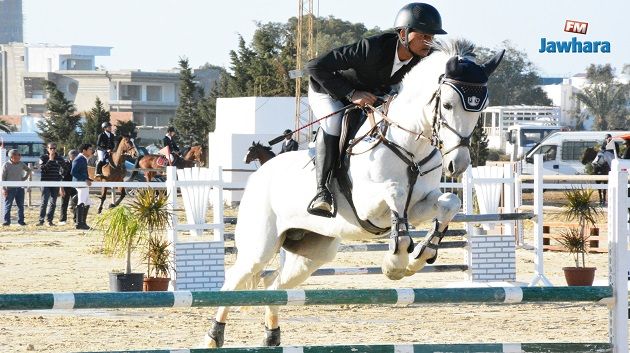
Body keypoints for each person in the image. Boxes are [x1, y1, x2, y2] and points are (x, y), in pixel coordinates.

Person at [304, 2, 446, 217]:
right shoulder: (370, 49)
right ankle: (322, 191)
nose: (429, 41)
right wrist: (351, 94)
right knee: (334, 123)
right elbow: (314, 66)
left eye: (432, 36)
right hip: (328, 89)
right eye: (424, 35)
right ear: (403, 33)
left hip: (369, 93)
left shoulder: (423, 57)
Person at [2, 149, 32, 226]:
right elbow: (2, 178)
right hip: (9, 189)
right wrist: (3, 189)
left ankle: (21, 221)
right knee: (8, 205)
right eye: (18, 155)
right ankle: (6, 222)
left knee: (20, 206)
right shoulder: (6, 165)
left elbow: (29, 170)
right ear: (12, 156)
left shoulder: (21, 164)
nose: (20, 156)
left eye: (20, 155)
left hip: (20, 188)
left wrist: (24, 178)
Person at [38, 142, 64, 226]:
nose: (53, 150)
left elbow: (65, 168)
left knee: (53, 202)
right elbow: (43, 169)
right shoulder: (43, 157)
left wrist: (61, 176)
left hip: (55, 182)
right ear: (47, 149)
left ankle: (49, 220)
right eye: (51, 148)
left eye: (54, 148)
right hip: (45, 182)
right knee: (44, 202)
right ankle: (41, 220)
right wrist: (50, 159)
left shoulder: (60, 158)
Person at [71, 144, 93, 230]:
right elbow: (73, 172)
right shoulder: (79, 159)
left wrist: (88, 178)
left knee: (87, 203)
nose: (92, 151)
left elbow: (81, 172)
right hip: (80, 184)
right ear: (84, 150)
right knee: (81, 202)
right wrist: (85, 179)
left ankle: (82, 222)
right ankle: (79, 223)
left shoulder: (83, 159)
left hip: (83, 183)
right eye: (90, 149)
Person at [59, 149, 78, 225]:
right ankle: (62, 219)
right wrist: (61, 188)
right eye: (75, 155)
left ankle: (76, 219)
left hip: (75, 186)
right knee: (64, 203)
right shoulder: (65, 164)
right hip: (66, 185)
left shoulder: (77, 164)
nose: (76, 157)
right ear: (71, 156)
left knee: (76, 203)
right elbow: (61, 177)